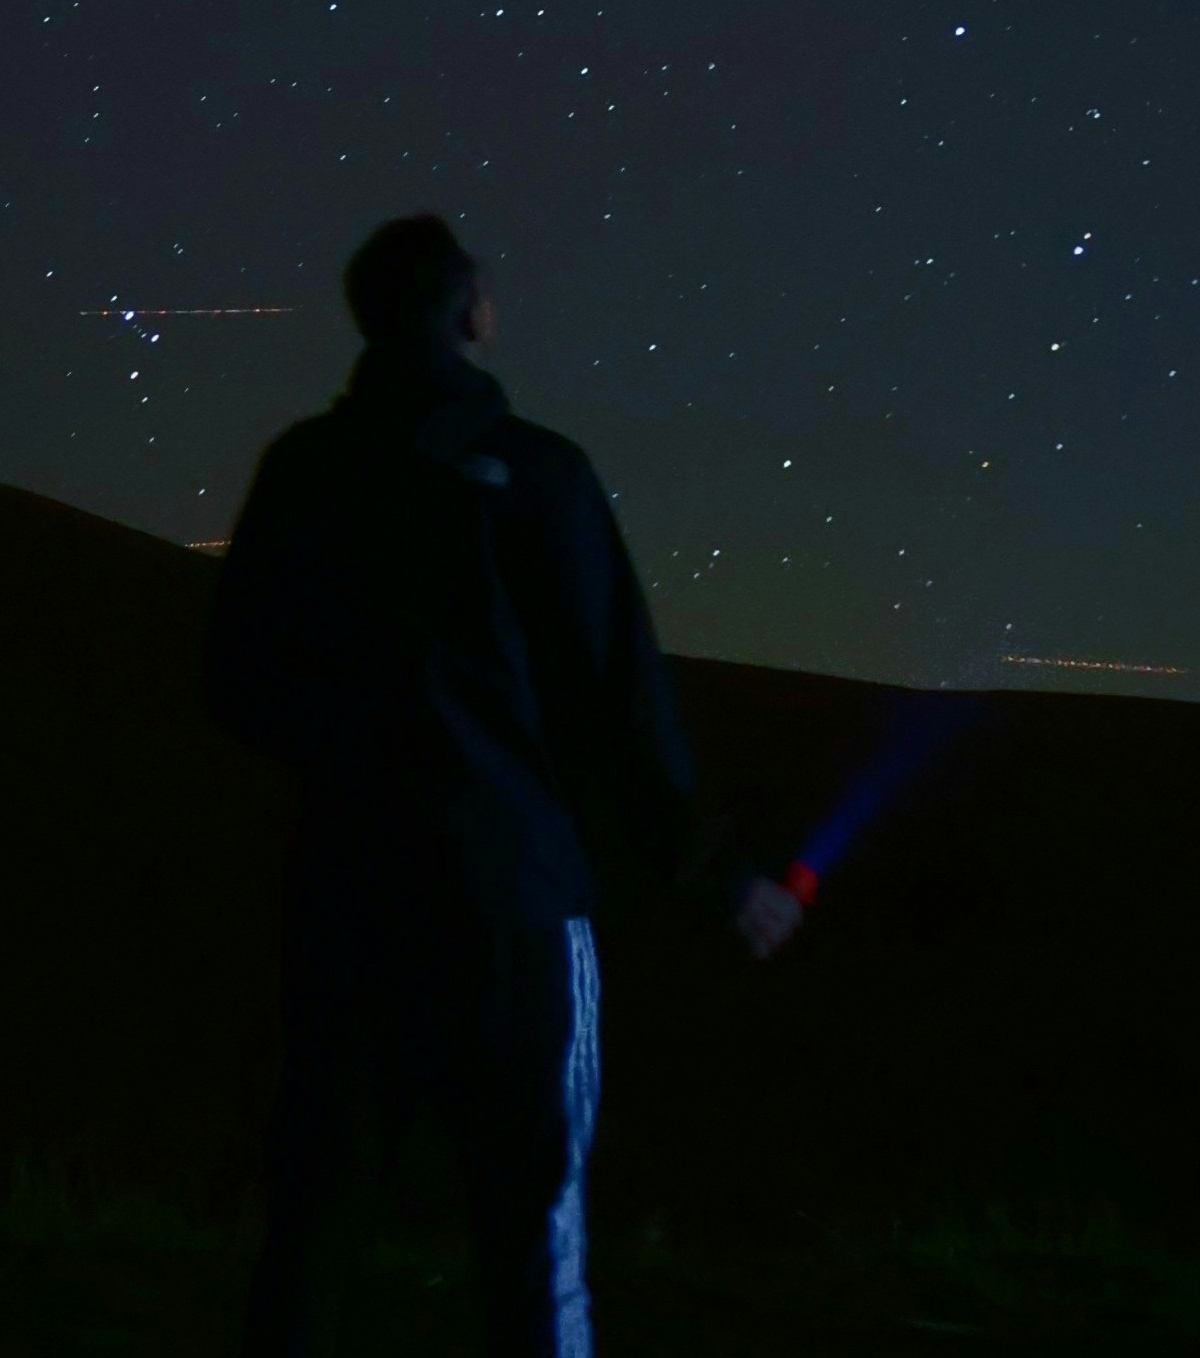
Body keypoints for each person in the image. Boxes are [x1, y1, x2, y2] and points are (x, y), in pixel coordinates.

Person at [208, 214, 803, 1357]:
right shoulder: (539, 472)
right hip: (515, 902)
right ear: (468, 311)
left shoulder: (303, 469)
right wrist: (718, 875)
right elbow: (612, 700)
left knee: (313, 1220)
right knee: (533, 1225)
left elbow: (236, 679)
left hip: (345, 894)